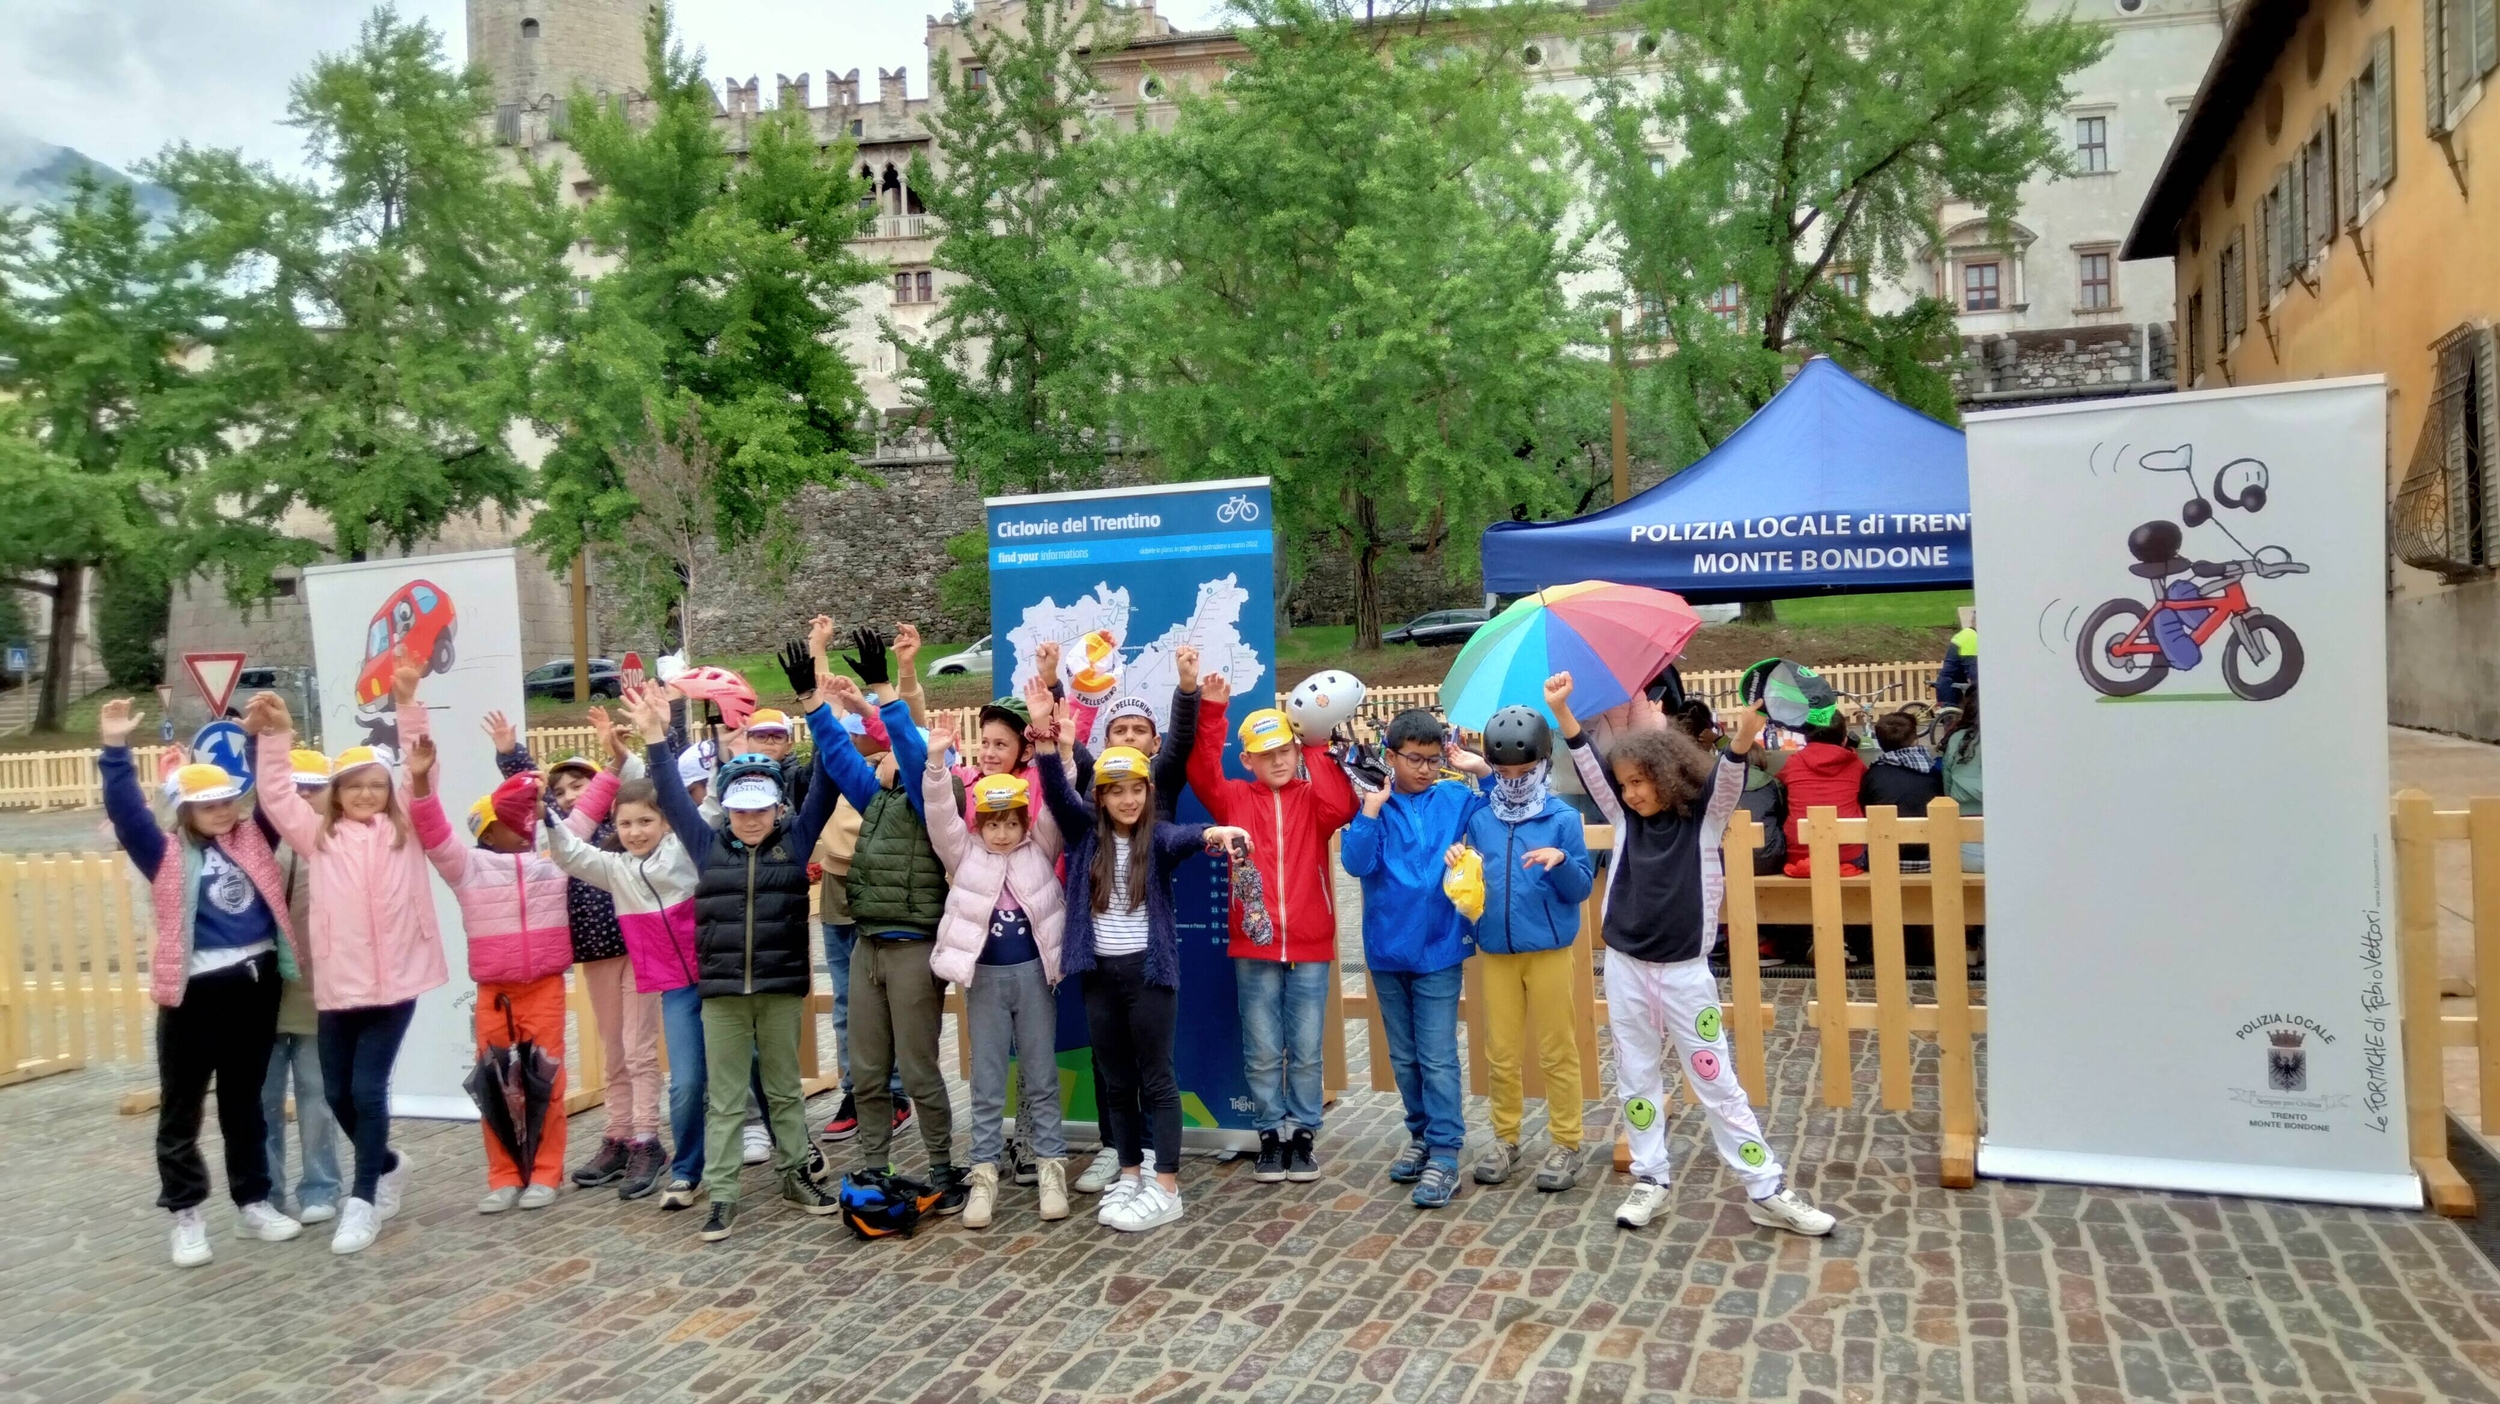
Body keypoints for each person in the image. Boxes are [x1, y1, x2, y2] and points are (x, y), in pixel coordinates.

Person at [1549, 671, 1836, 1238]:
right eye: (1625, 784)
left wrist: (1745, 735)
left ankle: (1765, 1188)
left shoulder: (1704, 822)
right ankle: (1650, 1177)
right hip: (1628, 968)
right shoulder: (1624, 820)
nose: (1630, 792)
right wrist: (1563, 713)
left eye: (1640, 782)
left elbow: (1728, 777)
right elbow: (1586, 762)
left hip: (1684, 975)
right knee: (1636, 1077)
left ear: (1668, 777)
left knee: (1716, 1081)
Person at [246, 659, 450, 1256]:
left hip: (397, 984)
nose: (366, 793)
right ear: (334, 794)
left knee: (366, 1090)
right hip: (339, 986)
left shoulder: (404, 829)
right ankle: (386, 1163)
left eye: (375, 785)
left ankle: (362, 1203)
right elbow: (278, 793)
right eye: (354, 785)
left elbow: (423, 777)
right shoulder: (318, 836)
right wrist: (276, 735)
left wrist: (409, 706)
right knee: (335, 1093)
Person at [639, 672, 848, 1242]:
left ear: (779, 807)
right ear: (725, 808)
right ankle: (724, 1194)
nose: (749, 820)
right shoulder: (706, 848)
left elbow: (828, 782)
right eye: (739, 809)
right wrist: (656, 737)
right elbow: (671, 796)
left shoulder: (795, 842)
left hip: (779, 993)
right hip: (724, 997)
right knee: (726, 1099)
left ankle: (794, 1175)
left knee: (783, 1091)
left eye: (760, 809)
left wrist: (821, 708)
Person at [98, 698, 307, 1267]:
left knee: (246, 1103)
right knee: (182, 1107)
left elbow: (274, 793)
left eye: (226, 800)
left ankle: (254, 1202)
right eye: (205, 803)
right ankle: (186, 1214)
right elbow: (126, 813)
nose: (220, 810)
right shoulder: (163, 852)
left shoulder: (252, 839)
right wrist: (115, 747)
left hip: (256, 981)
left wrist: (266, 741)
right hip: (196, 991)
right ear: (184, 808)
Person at [1034, 705, 1243, 1232]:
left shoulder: (1158, 838)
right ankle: (1130, 1175)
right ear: (1099, 795)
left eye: (1137, 789)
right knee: (1115, 1083)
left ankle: (1166, 1186)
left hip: (1149, 978)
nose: (1128, 800)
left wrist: (1214, 835)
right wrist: (1042, 738)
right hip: (1100, 977)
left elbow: (1188, 836)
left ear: (1150, 792)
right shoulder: (1084, 836)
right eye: (1116, 790)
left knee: (1157, 1081)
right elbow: (1058, 793)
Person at [808, 624, 969, 1214]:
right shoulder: (869, 798)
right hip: (867, 947)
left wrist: (884, 687)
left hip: (912, 951)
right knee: (869, 1072)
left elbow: (903, 741)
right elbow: (834, 751)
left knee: (921, 1070)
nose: (878, 760)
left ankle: (944, 1167)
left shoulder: (939, 801)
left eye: (891, 755)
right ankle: (876, 1165)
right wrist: (813, 703)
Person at [1187, 671, 1359, 1183]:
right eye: (1267, 753)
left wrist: (1319, 745)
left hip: (1309, 943)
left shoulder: (1312, 797)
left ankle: (1303, 1134)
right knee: (1263, 1050)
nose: (1279, 760)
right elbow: (1201, 773)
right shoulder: (1234, 797)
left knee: (1305, 1050)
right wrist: (1213, 712)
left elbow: (1344, 805)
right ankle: (1268, 1134)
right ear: (1248, 761)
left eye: (1285, 749)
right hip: (1254, 946)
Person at [487, 710, 666, 1200]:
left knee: (639, 1048)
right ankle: (618, 1135)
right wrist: (510, 754)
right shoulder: (560, 842)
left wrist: (615, 754)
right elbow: (534, 800)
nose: (569, 797)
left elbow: (630, 784)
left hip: (639, 945)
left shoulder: (619, 833)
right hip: (596, 953)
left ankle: (648, 1137)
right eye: (561, 789)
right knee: (613, 1049)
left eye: (578, 788)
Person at [1047, 642, 1204, 1197]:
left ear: (1152, 747)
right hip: (1099, 955)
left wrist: (1187, 689)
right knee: (1109, 1067)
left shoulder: (1158, 784)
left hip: (1146, 941)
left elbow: (1183, 746)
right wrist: (1052, 685)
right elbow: (1057, 761)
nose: (1131, 739)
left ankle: (1159, 1179)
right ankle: (1118, 1153)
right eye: (1121, 730)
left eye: (1141, 730)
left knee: (1152, 1068)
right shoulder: (1096, 788)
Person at [541, 705, 711, 1212]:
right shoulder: (613, 867)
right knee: (649, 1066)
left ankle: (655, 1139)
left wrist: (627, 753)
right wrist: (546, 814)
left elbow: (675, 799)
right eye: (627, 823)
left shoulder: (679, 851)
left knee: (717, 1068)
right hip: (637, 970)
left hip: (690, 971)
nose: (635, 830)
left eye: (645, 821)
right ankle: (648, 1149)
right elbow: (571, 853)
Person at [405, 731, 575, 1213]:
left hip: (544, 988)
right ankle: (504, 1175)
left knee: (548, 1084)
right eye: (511, 818)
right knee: (495, 1085)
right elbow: (433, 832)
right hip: (494, 993)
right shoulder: (467, 868)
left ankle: (545, 1173)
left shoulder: (552, 862)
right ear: (487, 832)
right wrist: (420, 783)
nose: (524, 822)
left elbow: (580, 817)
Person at [921, 718, 1070, 1229]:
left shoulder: (1041, 846)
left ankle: (1051, 1165)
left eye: (1011, 823)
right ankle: (984, 1173)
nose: (1002, 833)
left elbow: (1059, 801)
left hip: (1034, 977)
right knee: (986, 1083)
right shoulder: (964, 852)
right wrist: (937, 763)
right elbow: (941, 817)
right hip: (984, 980)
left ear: (1025, 823)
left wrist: (1058, 750)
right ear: (979, 823)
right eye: (992, 823)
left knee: (1041, 1077)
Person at [1338, 708, 1482, 1209]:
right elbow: (1356, 863)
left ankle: (1445, 1152)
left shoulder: (1456, 798)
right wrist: (1371, 811)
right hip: (1386, 948)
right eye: (1414, 759)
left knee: (1437, 1054)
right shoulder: (1376, 804)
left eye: (1433, 759)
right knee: (1404, 1055)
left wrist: (1479, 769)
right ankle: (1420, 1133)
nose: (1424, 769)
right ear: (1391, 756)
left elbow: (1500, 806)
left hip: (1440, 946)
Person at [1459, 705, 1595, 1195]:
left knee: (1557, 1049)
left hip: (1549, 950)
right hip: (1495, 950)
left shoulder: (1562, 818)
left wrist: (1560, 861)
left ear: (1543, 764)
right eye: (1504, 772)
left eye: (1524, 771)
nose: (1514, 780)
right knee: (1501, 1051)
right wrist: (1459, 863)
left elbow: (1580, 888)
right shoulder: (1480, 818)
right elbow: (1468, 877)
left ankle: (1567, 1141)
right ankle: (1506, 1137)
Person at [260, 748, 341, 1228]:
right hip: (263, 994)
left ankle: (321, 1185)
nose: (305, 797)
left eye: (314, 787)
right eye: (296, 788)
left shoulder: (336, 843)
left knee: (317, 1094)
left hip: (320, 989)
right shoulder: (257, 843)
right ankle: (265, 1192)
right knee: (263, 1098)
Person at [1774, 715, 1866, 878]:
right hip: (1848, 855)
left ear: (1806, 738)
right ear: (1844, 740)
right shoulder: (1855, 764)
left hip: (1799, 854)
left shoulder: (1793, 762)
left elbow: (1779, 788)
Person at [1860, 710, 1944, 870]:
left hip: (1885, 861)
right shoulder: (1936, 771)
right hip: (1934, 860)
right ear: (1915, 740)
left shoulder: (1874, 774)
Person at [1940, 687, 1984, 875]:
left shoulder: (1957, 739)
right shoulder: (2012, 740)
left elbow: (1947, 787)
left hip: (1966, 845)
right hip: (2009, 841)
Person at [1935, 619, 1979, 708]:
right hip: (1954, 687)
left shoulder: (1964, 633)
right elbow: (1971, 667)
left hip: (1946, 683)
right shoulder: (1971, 637)